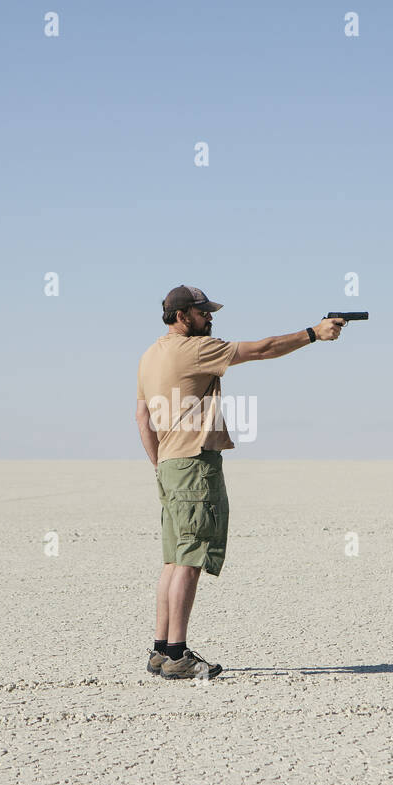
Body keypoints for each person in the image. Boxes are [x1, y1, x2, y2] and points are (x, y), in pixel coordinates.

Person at [134, 285, 347, 680]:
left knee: (173, 560)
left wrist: (160, 464)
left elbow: (142, 418)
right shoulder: (196, 349)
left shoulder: (149, 356)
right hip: (194, 464)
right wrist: (314, 333)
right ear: (182, 317)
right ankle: (178, 655)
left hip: (169, 465)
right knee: (190, 559)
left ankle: (161, 651)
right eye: (202, 313)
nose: (210, 318)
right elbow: (263, 349)